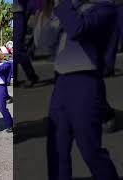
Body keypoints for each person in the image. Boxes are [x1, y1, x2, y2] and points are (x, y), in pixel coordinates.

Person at [46, 0, 119, 179]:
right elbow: (45, 44)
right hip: (61, 82)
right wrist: (45, 17)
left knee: (90, 151)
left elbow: (77, 29)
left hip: (85, 82)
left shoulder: (105, 8)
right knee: (56, 150)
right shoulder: (70, 9)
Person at [15, 0, 40, 87]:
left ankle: (32, 76)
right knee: (15, 49)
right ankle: (14, 79)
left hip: (19, 12)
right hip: (16, 12)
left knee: (17, 48)